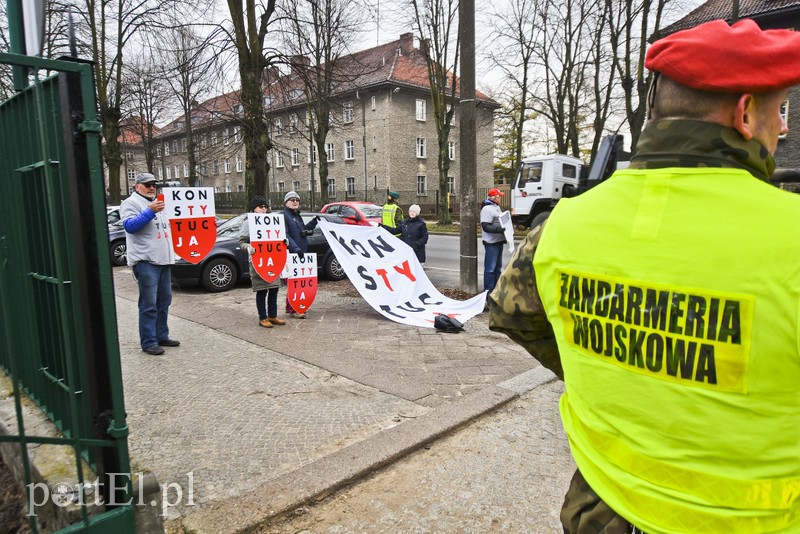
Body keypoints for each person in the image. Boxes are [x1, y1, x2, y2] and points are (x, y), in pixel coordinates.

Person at [488, 18, 800, 533]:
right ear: (745, 113)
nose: (783, 127)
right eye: (778, 109)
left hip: (600, 510)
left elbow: (509, 315)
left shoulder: (563, 224)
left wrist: (607, 370)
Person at [120, 172, 179, 356]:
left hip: (163, 260)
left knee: (164, 301)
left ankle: (162, 335)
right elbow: (130, 226)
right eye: (147, 184)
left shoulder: (158, 203)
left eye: (154, 184)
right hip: (146, 261)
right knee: (148, 304)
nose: (152, 187)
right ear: (137, 186)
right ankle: (148, 342)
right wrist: (149, 211)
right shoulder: (131, 203)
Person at [239, 196, 286, 329]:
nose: (264, 209)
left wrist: (284, 242)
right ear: (254, 208)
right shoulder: (248, 222)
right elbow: (242, 242)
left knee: (274, 289)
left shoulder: (272, 221)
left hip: (273, 262)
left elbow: (278, 238)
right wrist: (248, 248)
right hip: (258, 262)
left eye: (265, 207)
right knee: (262, 290)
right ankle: (263, 317)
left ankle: (273, 315)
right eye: (261, 207)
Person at [283, 191, 318, 318]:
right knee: (294, 282)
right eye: (292, 200)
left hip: (300, 253)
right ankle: (295, 309)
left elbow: (302, 231)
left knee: (295, 280)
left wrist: (314, 222)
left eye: (297, 200)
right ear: (286, 202)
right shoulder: (284, 216)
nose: (295, 202)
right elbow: (285, 235)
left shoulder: (297, 215)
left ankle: (289, 306)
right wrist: (296, 249)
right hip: (291, 254)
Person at [480, 188, 506, 293]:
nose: (500, 198)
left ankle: (495, 291)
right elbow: (485, 226)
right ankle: (488, 292)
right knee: (490, 269)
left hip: (498, 241)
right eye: (499, 196)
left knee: (497, 268)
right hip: (491, 243)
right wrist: (499, 230)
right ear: (494, 197)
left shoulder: (496, 207)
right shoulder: (487, 209)